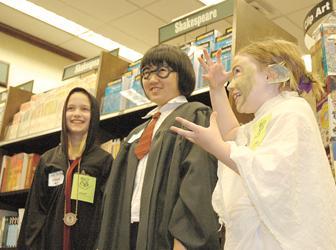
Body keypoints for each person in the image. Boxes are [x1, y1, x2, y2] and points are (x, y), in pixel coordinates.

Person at [171, 39, 336, 249]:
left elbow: (274, 172)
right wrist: (216, 89)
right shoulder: (261, 122)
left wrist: (216, 146)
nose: (232, 84)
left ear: (271, 75)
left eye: (238, 71)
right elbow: (230, 134)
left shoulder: (292, 110)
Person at [97, 44, 221, 250]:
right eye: (146, 73)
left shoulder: (194, 115)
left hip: (167, 237)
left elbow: (198, 182)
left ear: (182, 74)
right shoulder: (136, 132)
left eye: (162, 71)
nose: (152, 79)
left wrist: (184, 240)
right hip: (127, 233)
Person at [17, 87, 113, 250]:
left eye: (84, 109)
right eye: (71, 108)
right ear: (63, 115)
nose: (77, 114)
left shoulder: (104, 161)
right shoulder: (48, 160)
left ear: (94, 116)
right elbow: (35, 213)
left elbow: (108, 213)